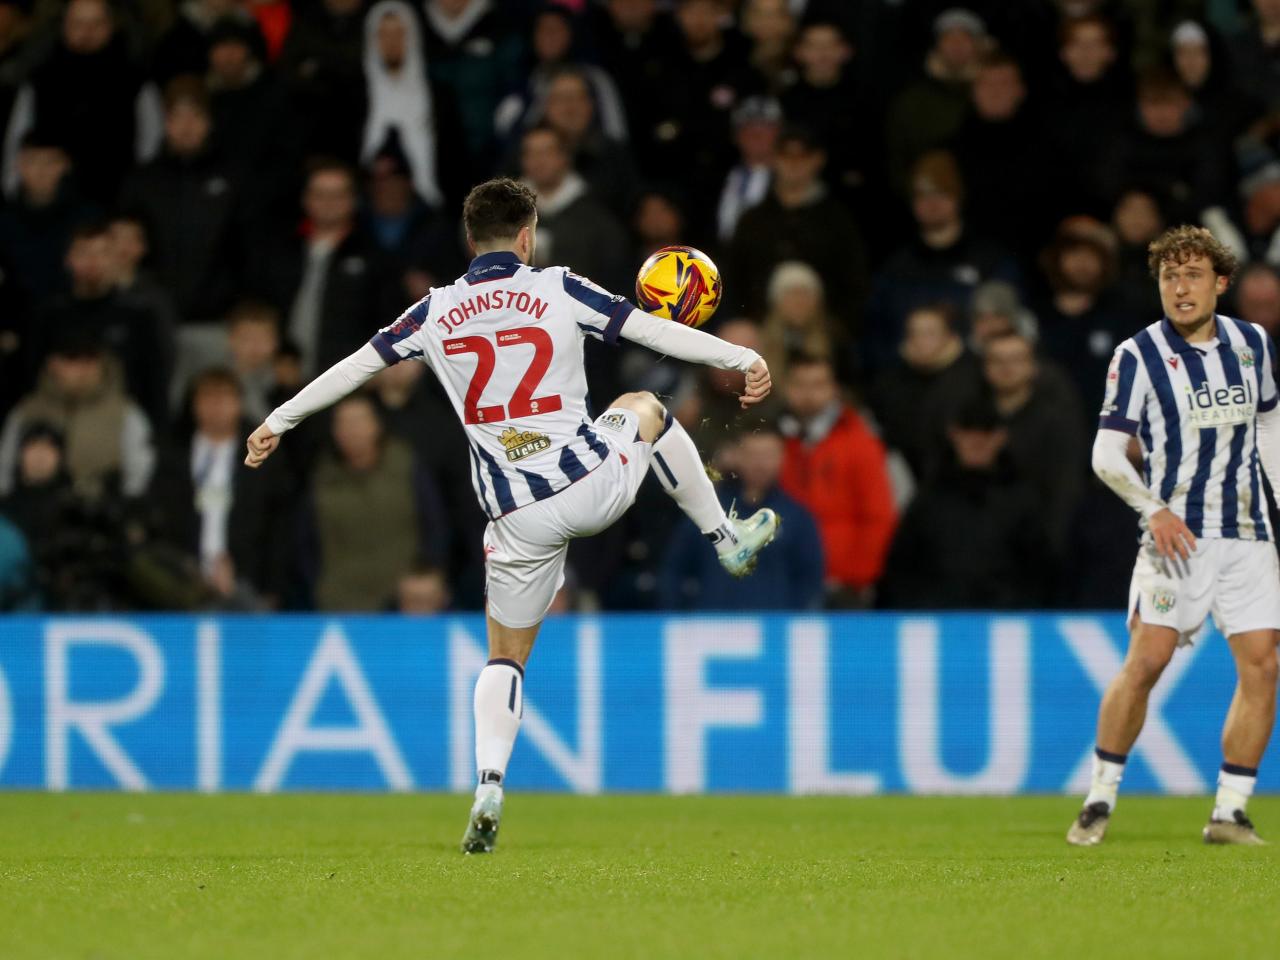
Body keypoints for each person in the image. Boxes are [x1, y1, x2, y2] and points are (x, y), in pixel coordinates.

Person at [243, 177, 778, 853]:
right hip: (588, 482)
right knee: (646, 406)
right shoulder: (557, 286)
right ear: (527, 235)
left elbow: (355, 367)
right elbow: (653, 332)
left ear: (471, 239)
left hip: (516, 515)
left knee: (505, 657)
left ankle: (489, 781)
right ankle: (725, 537)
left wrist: (278, 419)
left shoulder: (434, 311)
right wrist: (743, 357)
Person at [1068, 225, 1280, 847]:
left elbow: (1269, 424)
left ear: (1220, 283)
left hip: (1247, 534)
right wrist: (1153, 509)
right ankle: (1100, 795)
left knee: (1263, 666)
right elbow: (1107, 455)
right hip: (1176, 537)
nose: (1180, 288)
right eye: (1169, 276)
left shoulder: (1253, 344)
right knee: (1148, 661)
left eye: (1192, 275)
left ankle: (1230, 811)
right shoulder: (1136, 355)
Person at [660, 424, 823, 611]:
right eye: (753, 455)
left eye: (768, 455)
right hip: (710, 629)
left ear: (782, 457)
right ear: (737, 456)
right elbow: (674, 569)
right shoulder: (707, 510)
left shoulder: (797, 517)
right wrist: (679, 617)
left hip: (773, 630)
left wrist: (791, 622)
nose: (760, 464)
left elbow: (809, 580)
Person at [778, 353, 896, 606]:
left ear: (834, 390)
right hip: (783, 580)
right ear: (786, 388)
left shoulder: (860, 442)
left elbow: (878, 516)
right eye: (800, 384)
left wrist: (858, 576)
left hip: (842, 585)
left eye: (818, 385)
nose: (808, 394)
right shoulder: (772, 440)